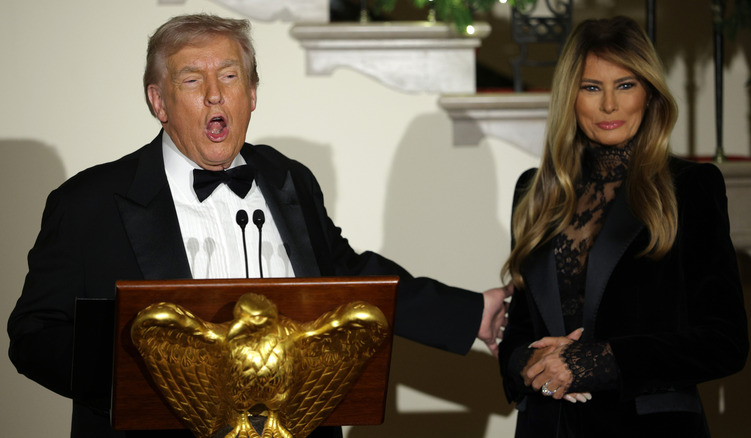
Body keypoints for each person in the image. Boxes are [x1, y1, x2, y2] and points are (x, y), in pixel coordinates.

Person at [7, 14, 509, 438]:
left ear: (251, 94)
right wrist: (134, 378)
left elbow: (344, 277)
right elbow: (34, 334)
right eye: (191, 80)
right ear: (158, 102)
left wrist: (471, 314)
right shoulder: (88, 203)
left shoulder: (287, 177)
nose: (213, 96)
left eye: (229, 77)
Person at [497, 16, 749, 437]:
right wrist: (529, 363)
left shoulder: (689, 188)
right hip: (547, 425)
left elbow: (725, 342)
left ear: (649, 94)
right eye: (591, 87)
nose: (609, 105)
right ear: (570, 97)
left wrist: (596, 361)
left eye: (626, 85)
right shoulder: (535, 192)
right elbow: (521, 330)